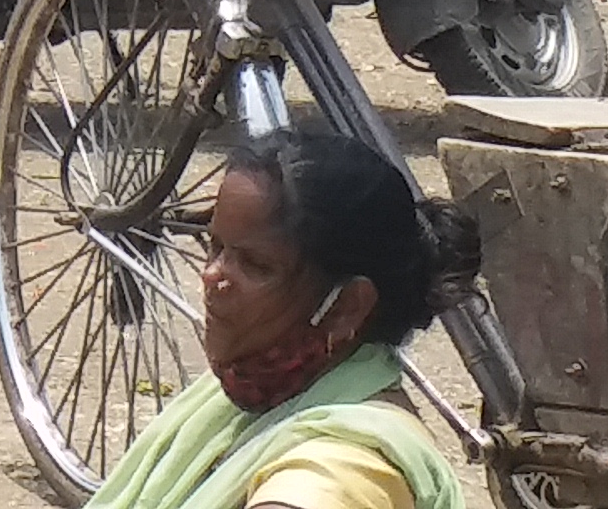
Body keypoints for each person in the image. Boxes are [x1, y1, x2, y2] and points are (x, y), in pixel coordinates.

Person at [77, 130, 482, 509]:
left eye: (254, 264)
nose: (212, 275)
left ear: (347, 308)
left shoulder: (347, 467)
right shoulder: (247, 402)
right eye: (215, 247)